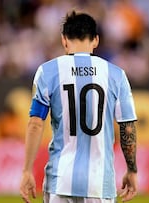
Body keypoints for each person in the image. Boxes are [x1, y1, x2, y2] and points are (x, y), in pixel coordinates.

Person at [20, 10, 138, 203]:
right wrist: (132, 169)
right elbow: (128, 127)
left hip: (60, 181)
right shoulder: (116, 75)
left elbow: (35, 123)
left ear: (64, 40)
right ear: (96, 40)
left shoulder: (48, 71)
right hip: (99, 183)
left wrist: (26, 170)